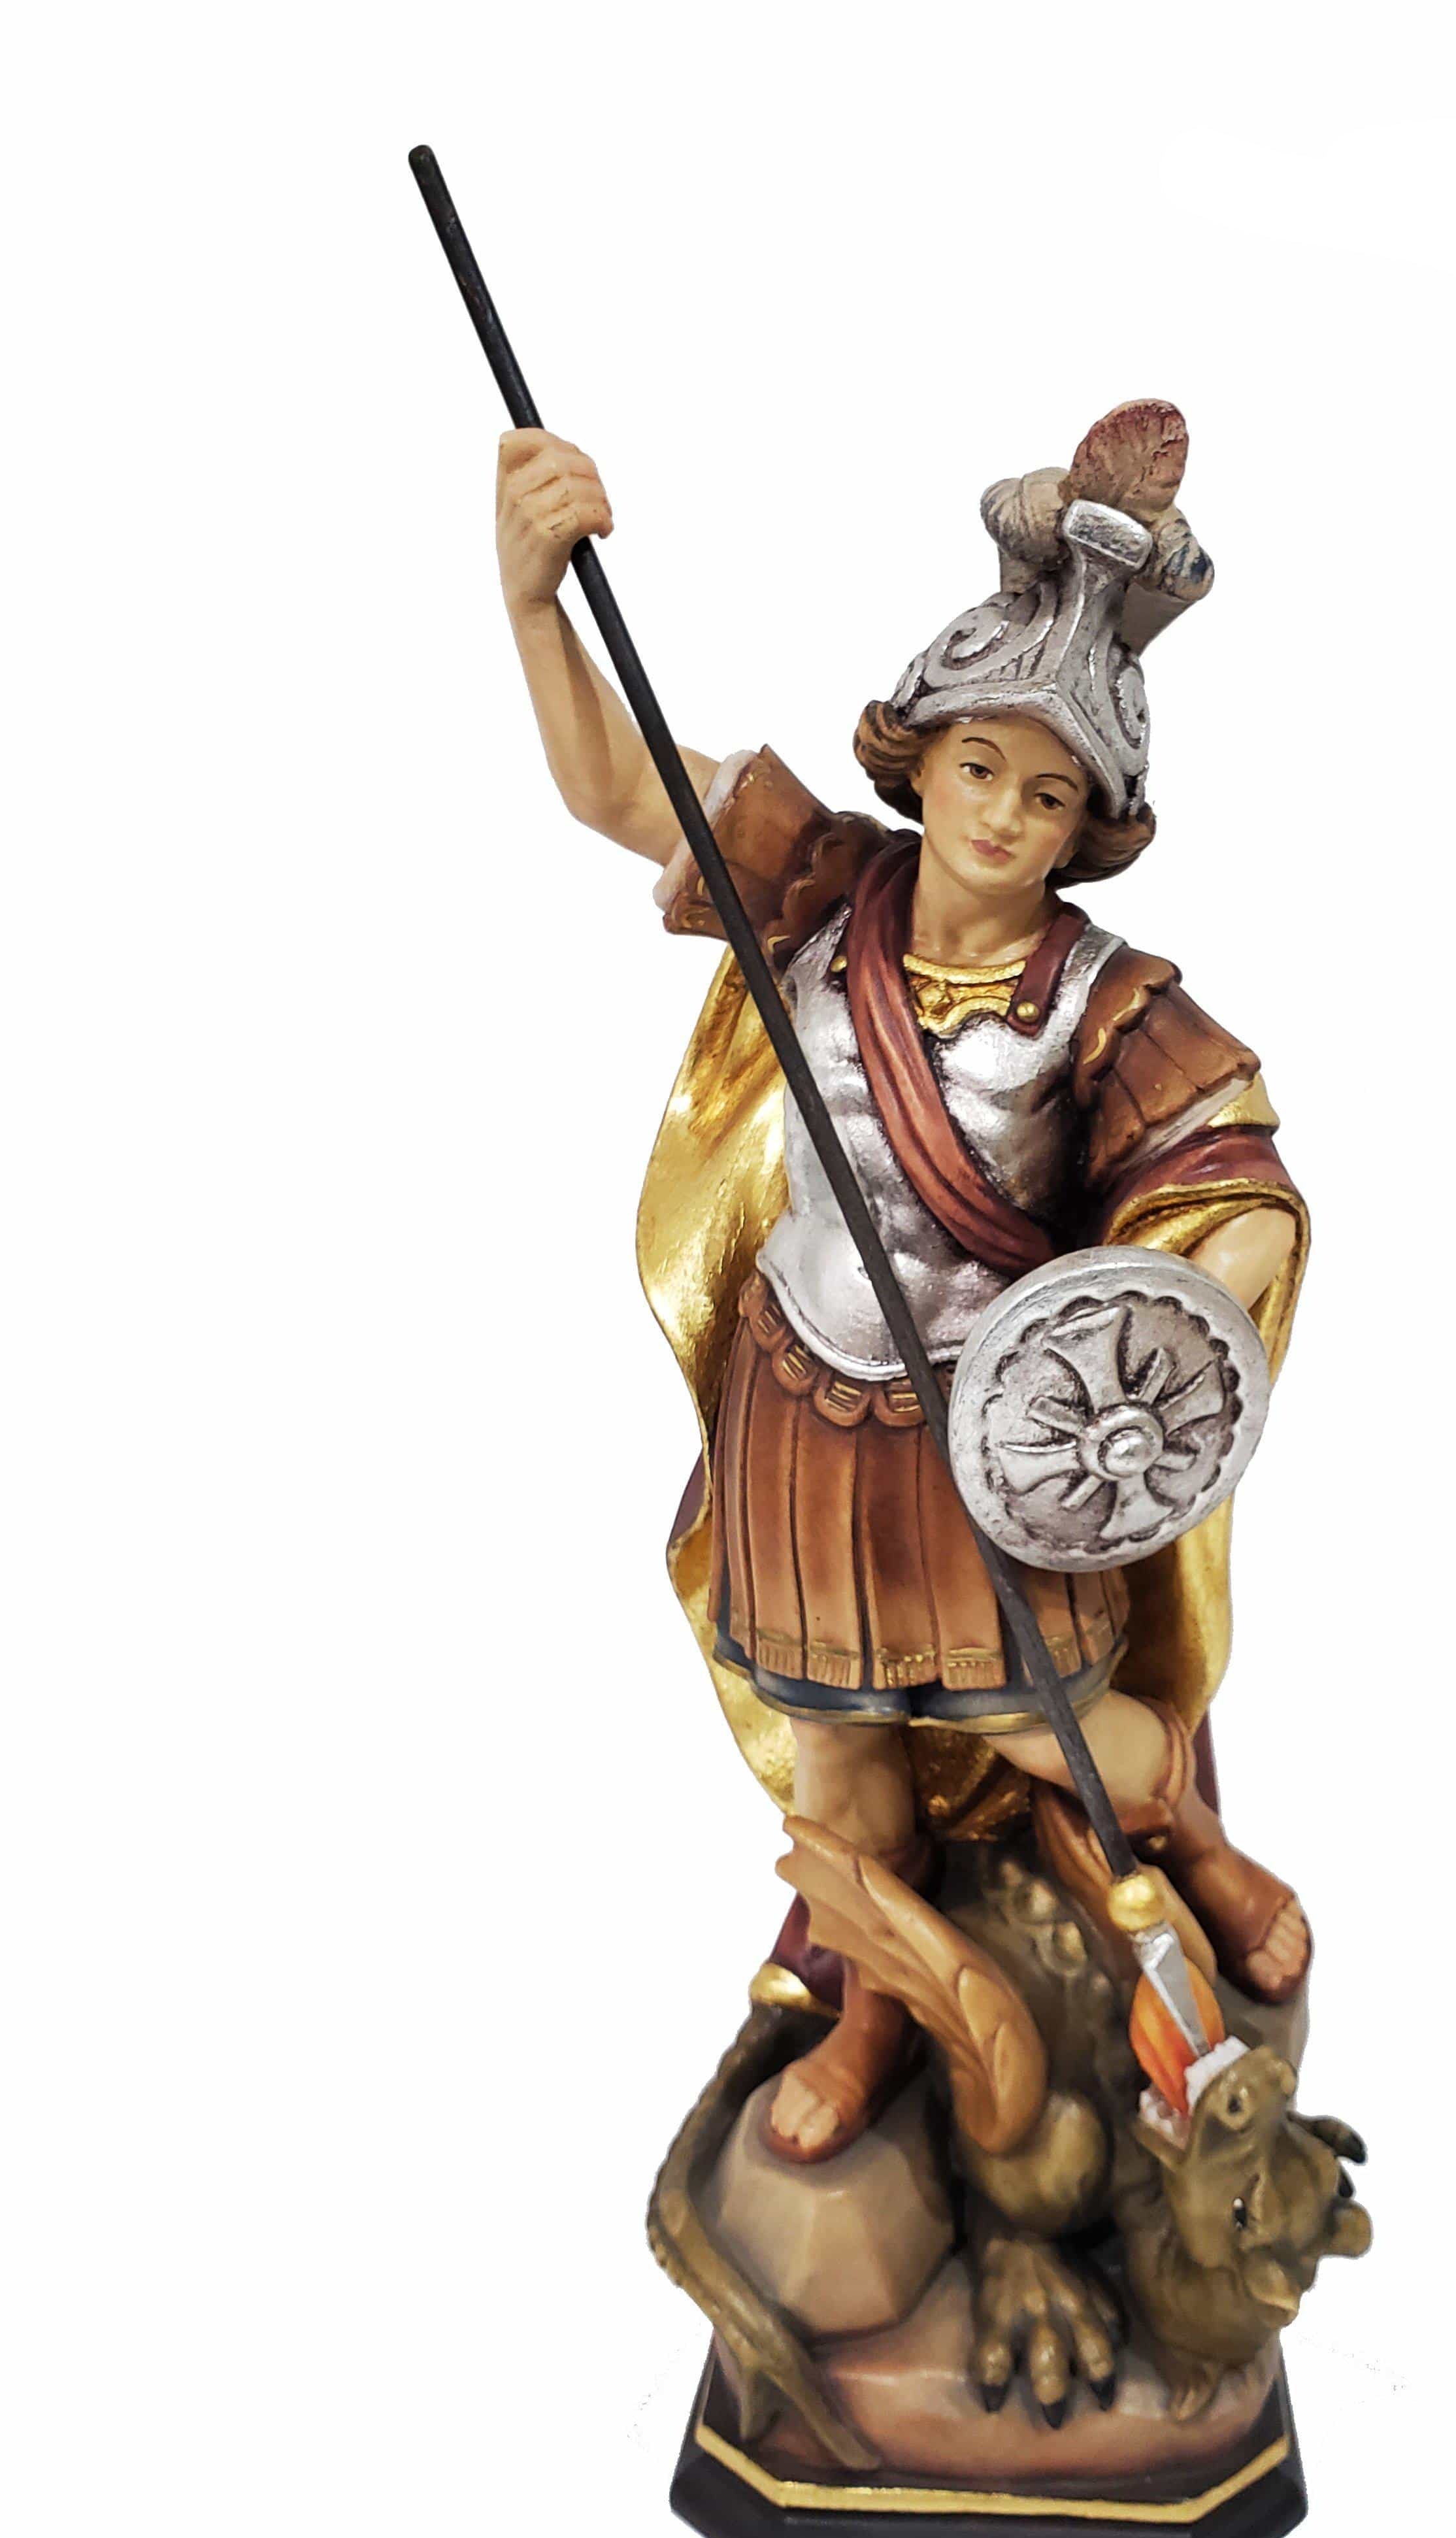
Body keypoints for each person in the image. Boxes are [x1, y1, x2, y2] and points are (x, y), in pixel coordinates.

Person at [495, 401, 1315, 2163]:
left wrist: (1165, 1291)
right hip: (803, 1409)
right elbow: (617, 787)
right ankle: (875, 2019)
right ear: (919, 759)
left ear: (1089, 825)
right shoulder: (817, 887)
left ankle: (1192, 1850)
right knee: (846, 1763)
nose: (1006, 815)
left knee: (1060, 1731)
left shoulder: (1103, 996)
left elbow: (1235, 1181)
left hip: (988, 1457)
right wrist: (536, 597)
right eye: (980, 769)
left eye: (1049, 792)